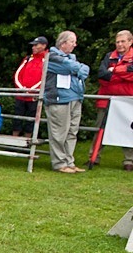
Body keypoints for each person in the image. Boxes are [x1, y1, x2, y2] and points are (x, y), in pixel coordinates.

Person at [44, 30, 89, 174]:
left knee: (72, 132)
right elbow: (71, 67)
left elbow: (85, 69)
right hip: (59, 100)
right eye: (72, 42)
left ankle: (69, 162)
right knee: (59, 133)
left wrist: (78, 69)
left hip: (75, 98)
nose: (75, 45)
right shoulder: (52, 57)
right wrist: (78, 68)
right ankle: (59, 163)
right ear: (63, 43)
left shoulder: (71, 58)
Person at [92, 30, 133, 171]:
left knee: (128, 130)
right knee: (100, 128)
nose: (120, 44)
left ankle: (129, 161)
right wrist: (124, 73)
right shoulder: (109, 56)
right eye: (118, 41)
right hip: (106, 99)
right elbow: (102, 76)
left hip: (127, 101)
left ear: (130, 42)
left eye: (123, 41)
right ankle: (94, 157)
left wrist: (114, 71)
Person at [12, 36, 48, 137]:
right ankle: (13, 141)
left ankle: (27, 143)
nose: (33, 47)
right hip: (21, 94)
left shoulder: (47, 60)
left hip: (34, 96)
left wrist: (32, 90)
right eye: (33, 45)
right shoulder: (28, 59)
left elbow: (45, 78)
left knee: (31, 119)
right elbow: (17, 74)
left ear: (44, 46)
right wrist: (21, 88)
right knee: (17, 118)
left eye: (36, 45)